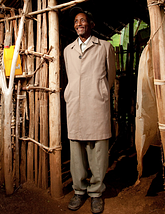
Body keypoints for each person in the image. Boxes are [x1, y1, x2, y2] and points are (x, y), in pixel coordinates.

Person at [63, 7, 116, 214]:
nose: (79, 24)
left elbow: (110, 77)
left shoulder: (104, 47)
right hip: (75, 103)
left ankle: (96, 193)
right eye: (76, 21)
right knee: (76, 149)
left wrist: (100, 91)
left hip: (96, 102)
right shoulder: (68, 50)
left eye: (83, 20)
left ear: (92, 25)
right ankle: (79, 191)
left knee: (98, 149)